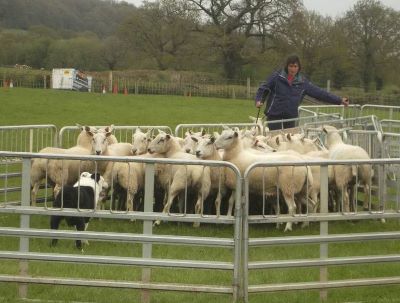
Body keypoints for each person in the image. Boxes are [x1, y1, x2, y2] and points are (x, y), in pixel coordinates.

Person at [255, 55, 349, 130]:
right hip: (274, 116)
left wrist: (339, 100)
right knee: (275, 142)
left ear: (299, 68)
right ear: (287, 67)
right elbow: (264, 88)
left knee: (290, 144)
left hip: (291, 117)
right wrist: (259, 100)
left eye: (295, 66)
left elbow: (320, 93)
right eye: (290, 66)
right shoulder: (277, 77)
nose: (292, 69)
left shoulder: (303, 83)